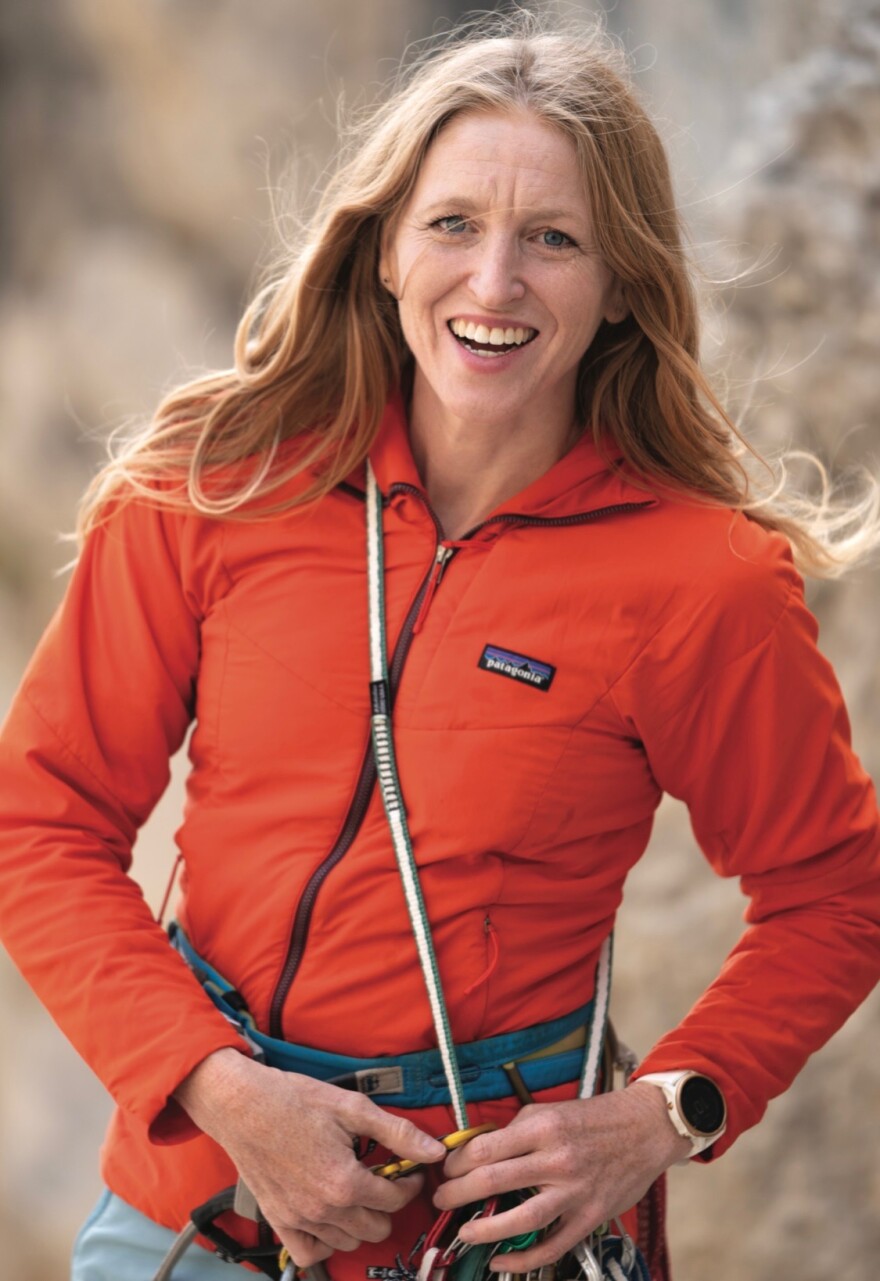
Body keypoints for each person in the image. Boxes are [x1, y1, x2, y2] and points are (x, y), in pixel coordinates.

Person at [1, 14, 879, 1281]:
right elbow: (41, 821)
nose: (494, 281)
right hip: (195, 1206)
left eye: (555, 239)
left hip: (498, 1237)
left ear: (622, 284)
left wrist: (662, 1115)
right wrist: (221, 1091)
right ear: (384, 249)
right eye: (453, 224)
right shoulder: (215, 486)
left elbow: (835, 893)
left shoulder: (703, 580)